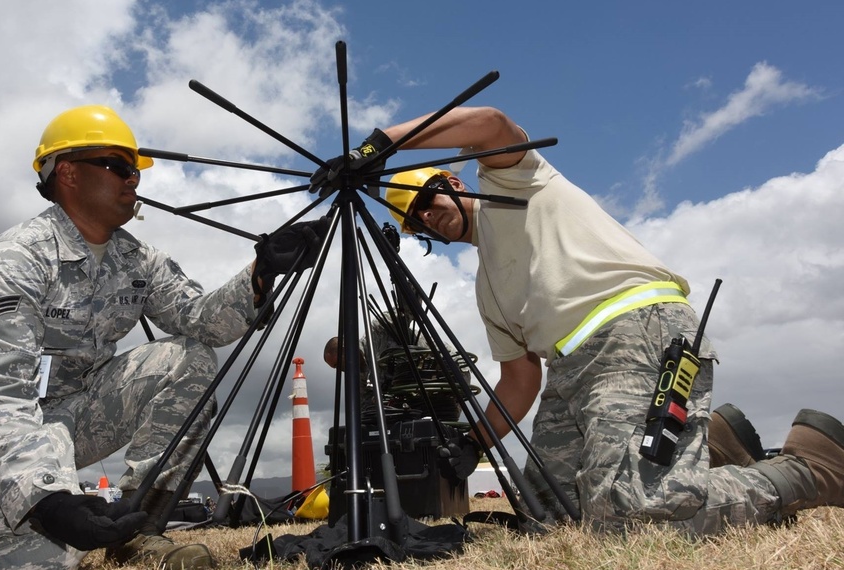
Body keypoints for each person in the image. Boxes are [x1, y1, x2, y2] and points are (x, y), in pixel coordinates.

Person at [310, 106, 844, 534]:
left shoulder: (512, 185)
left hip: (635, 327)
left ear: (452, 180)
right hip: (569, 371)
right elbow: (521, 381)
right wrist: (473, 441)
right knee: (549, 516)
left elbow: (490, 123)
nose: (427, 215)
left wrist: (382, 145)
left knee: (632, 517)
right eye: (415, 217)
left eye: (427, 198)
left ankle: (806, 470)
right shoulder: (487, 288)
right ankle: (706, 452)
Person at [0, 105, 324, 570]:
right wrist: (47, 501)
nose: (132, 180)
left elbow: (201, 320)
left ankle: (140, 527)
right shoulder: (16, 260)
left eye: (135, 170)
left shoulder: (136, 258)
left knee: (190, 358)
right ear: (69, 173)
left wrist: (260, 274)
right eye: (118, 166)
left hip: (68, 413)